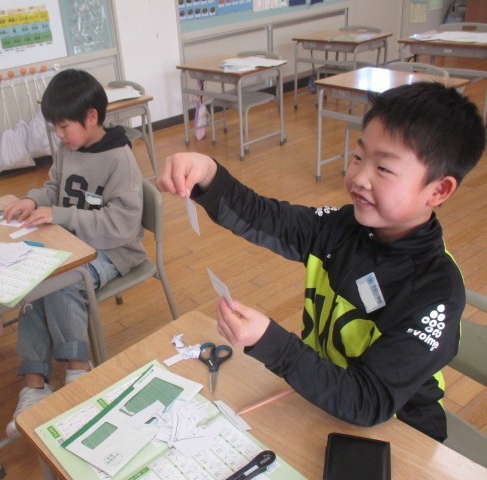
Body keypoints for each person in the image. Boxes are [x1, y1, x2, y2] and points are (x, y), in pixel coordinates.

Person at [158, 82, 485, 442]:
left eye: (383, 168)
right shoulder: (342, 227)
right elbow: (264, 217)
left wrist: (271, 343)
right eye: (358, 157)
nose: (359, 177)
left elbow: (368, 400)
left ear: (438, 190)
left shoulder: (435, 291)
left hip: (399, 432)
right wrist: (208, 174)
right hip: (321, 395)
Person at [2, 69, 146, 438]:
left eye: (64, 127)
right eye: (55, 128)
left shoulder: (119, 159)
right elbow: (55, 188)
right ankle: (34, 384)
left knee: (61, 282)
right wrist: (33, 200)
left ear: (91, 117)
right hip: (77, 243)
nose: (59, 135)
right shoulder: (70, 149)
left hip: (116, 251)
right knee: (34, 281)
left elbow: (122, 226)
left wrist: (62, 215)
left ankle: (79, 372)